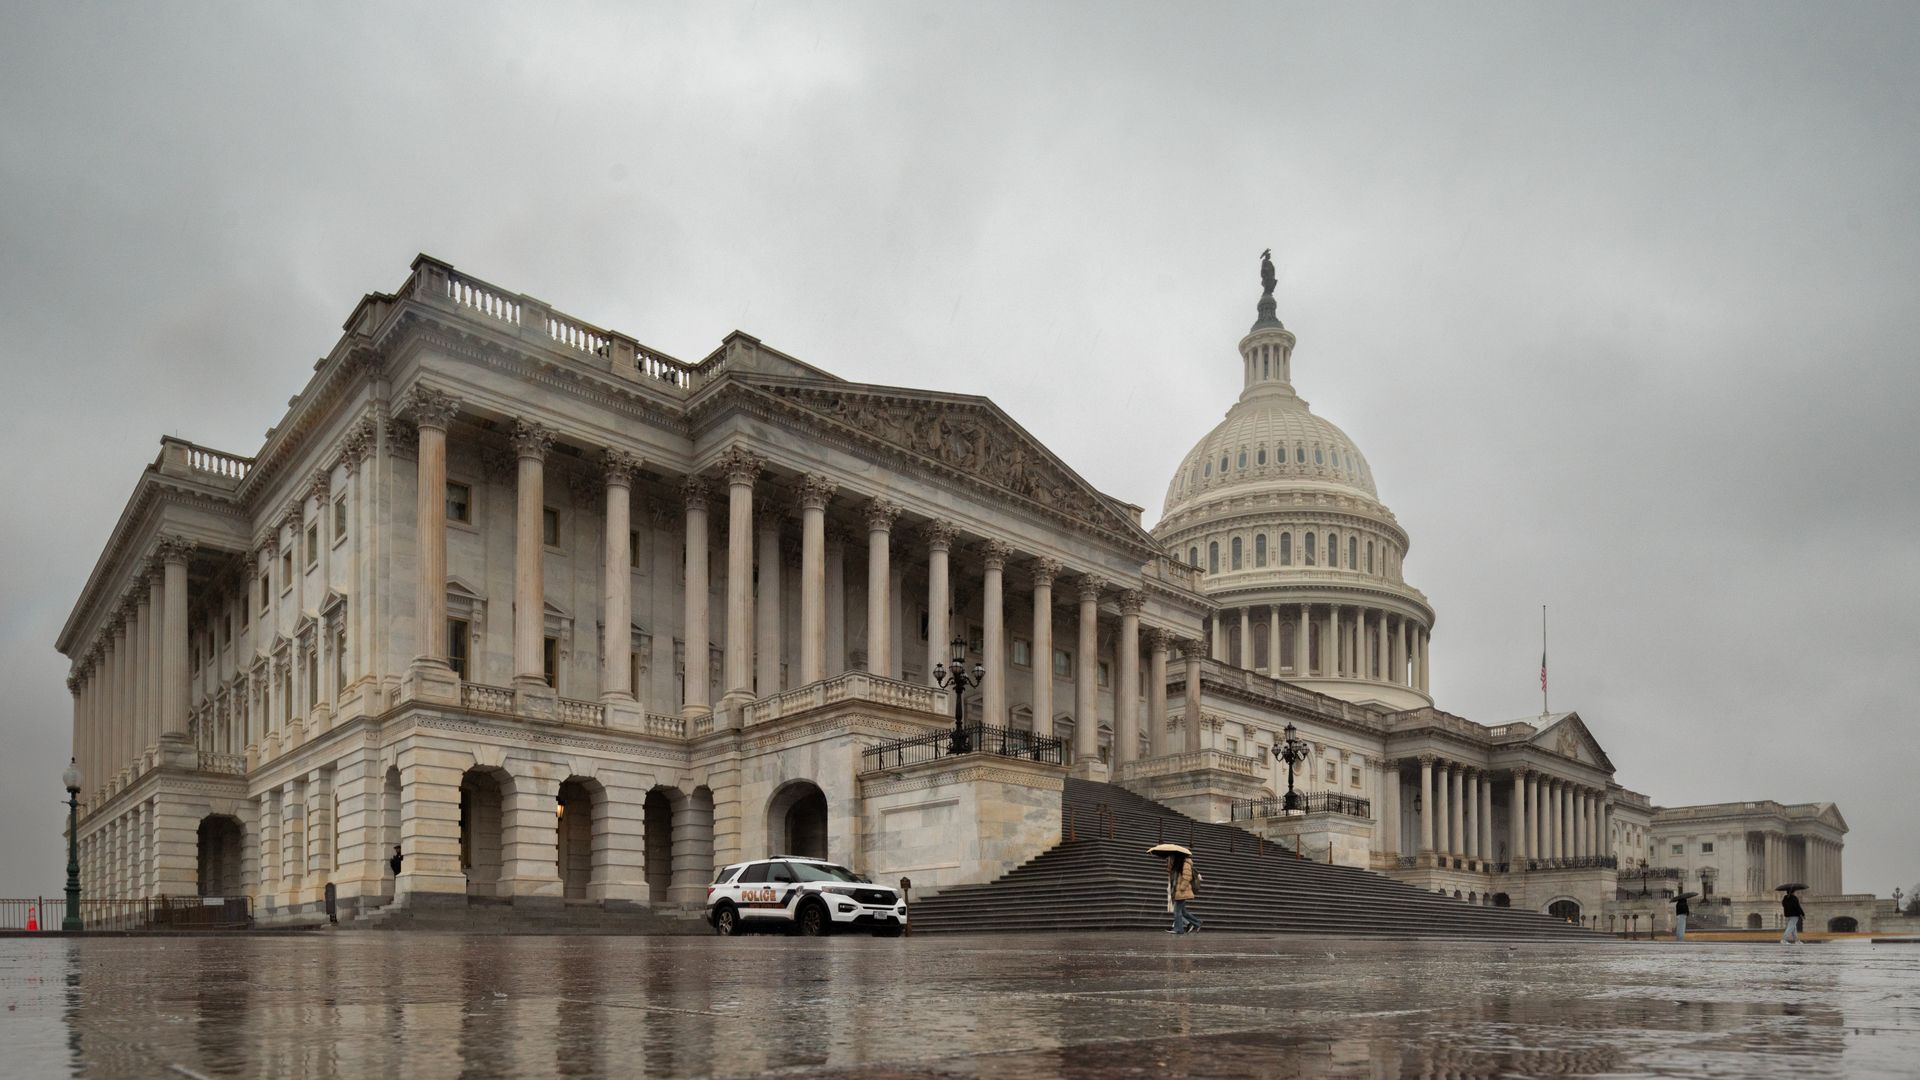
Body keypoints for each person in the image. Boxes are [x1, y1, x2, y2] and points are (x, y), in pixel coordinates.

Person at [1167, 852, 1202, 935]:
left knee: (1177, 911)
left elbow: (1187, 877)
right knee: (1183, 912)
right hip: (1178, 891)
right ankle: (1197, 923)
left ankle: (1179, 929)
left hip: (1182, 891)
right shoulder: (1178, 864)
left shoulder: (1185, 864)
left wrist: (1182, 888)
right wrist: (1170, 862)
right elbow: (1170, 872)